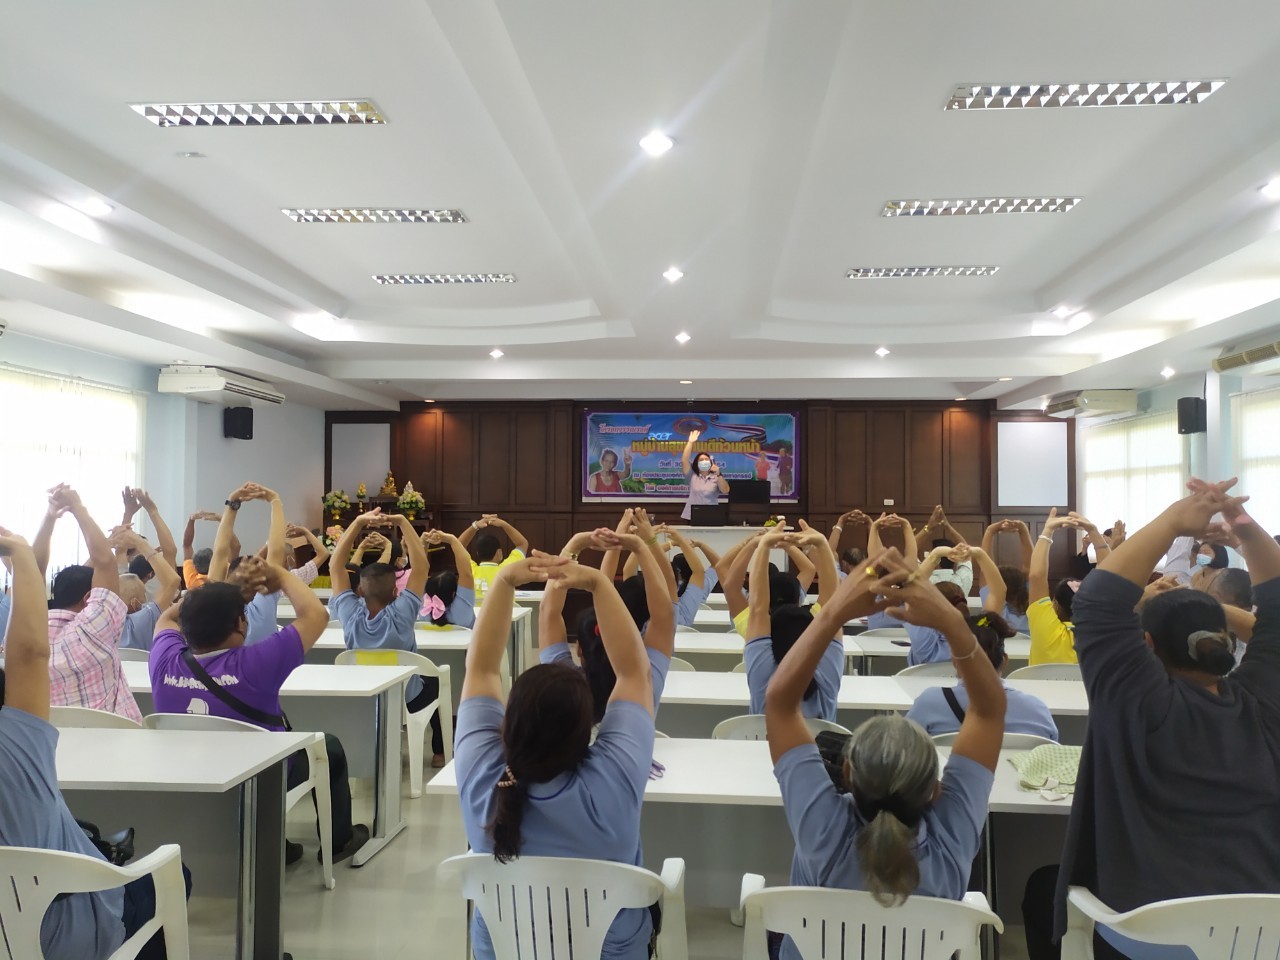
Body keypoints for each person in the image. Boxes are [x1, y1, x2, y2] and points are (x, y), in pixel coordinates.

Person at [1025, 480, 1280, 960]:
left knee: (1045, 892)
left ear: (1144, 647)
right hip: (1264, 935)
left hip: (1148, 939)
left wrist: (1173, 521)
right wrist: (1241, 524)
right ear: (1229, 639)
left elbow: (1099, 601)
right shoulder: (1267, 705)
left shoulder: (1131, 703)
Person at [764, 547, 1005, 960]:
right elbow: (988, 709)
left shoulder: (824, 832)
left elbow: (779, 703)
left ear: (846, 773)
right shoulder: (951, 840)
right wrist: (951, 622)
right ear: (935, 790)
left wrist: (831, 612)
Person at [456, 551, 659, 960]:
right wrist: (600, 584)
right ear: (586, 730)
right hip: (609, 948)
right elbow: (634, 673)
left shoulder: (484, 781)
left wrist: (503, 583)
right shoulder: (614, 780)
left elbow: (481, 670)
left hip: (503, 947)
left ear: (506, 725)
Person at [0, 527, 190, 960]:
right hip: (59, 936)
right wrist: (19, 552)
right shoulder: (16, 747)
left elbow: (29, 652)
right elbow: (29, 654)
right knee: (174, 876)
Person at [149, 554, 371, 864]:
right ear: (241, 622)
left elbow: (166, 619)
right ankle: (338, 841)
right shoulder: (255, 664)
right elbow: (315, 615)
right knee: (329, 747)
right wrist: (277, 572)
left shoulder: (164, 661)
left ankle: (280, 844)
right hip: (259, 779)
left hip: (189, 776)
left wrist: (222, 594)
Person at [331, 509, 443, 762]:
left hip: (363, 696)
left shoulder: (349, 613)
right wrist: (403, 521)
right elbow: (422, 565)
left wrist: (358, 522)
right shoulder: (403, 614)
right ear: (396, 591)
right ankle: (439, 751)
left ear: (359, 589)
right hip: (407, 698)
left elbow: (335, 565)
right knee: (435, 679)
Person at [39, 484, 143, 724]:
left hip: (53, 748)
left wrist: (49, 517)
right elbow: (105, 561)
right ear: (89, 598)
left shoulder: (27, 630)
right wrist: (77, 507)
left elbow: (37, 571)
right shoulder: (96, 628)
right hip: (114, 742)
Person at [558, 518, 676, 724]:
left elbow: (549, 612)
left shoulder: (564, 683)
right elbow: (664, 613)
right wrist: (642, 545)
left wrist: (575, 544)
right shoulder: (645, 676)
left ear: (579, 649)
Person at [907, 612, 1058, 739]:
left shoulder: (929, 703)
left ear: (954, 660)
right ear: (1004, 661)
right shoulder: (1036, 710)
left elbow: (902, 748)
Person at [745, 525, 841, 720]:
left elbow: (757, 609)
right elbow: (832, 604)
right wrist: (822, 544)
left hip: (763, 750)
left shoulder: (762, 672)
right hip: (817, 751)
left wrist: (763, 546)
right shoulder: (825, 677)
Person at [208, 483, 288, 645]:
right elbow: (277, 549)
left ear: (228, 576)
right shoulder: (263, 605)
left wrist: (232, 504)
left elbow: (220, 551)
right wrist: (275, 500)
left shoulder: (215, 603)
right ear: (259, 582)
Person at [908, 544, 1006, 664]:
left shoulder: (923, 640)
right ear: (963, 599)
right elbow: (998, 592)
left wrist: (936, 553)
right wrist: (980, 555)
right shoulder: (984, 633)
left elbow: (912, 590)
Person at [1027, 509, 1087, 665]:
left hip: (1038, 690)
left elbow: (1036, 576)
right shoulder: (1098, 632)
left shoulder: (1044, 629)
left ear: (1055, 605)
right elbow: (1110, 579)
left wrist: (1048, 531)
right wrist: (1094, 533)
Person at [113, 529, 181, 651]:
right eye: (143, 597)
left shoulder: (101, 622)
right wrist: (141, 543)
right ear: (134, 603)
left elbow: (119, 554)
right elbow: (173, 581)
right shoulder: (145, 618)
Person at [980, 519, 1034, 632]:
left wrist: (989, 532)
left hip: (999, 648)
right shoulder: (1032, 602)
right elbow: (1030, 566)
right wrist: (1023, 530)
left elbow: (986, 568)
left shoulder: (994, 605)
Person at [459, 514, 529, 598]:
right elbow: (522, 544)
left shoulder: (470, 571)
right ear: (499, 552)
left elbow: (459, 545)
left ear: (477, 553)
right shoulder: (508, 569)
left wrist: (475, 526)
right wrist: (504, 524)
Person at [418, 529, 478, 628]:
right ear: (454, 593)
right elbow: (466, 574)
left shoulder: (423, 609)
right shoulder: (462, 611)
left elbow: (419, 572)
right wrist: (451, 539)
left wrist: (423, 543)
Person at [679, 429, 730, 521]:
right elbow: (684, 460)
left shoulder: (716, 477)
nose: (704, 461)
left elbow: (725, 490)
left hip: (712, 515)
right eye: (701, 460)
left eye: (706, 459)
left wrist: (718, 474)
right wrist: (690, 442)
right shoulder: (692, 476)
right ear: (696, 463)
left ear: (711, 462)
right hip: (692, 516)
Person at [181, 510, 225, 589]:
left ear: (194, 567)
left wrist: (191, 520)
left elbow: (187, 545)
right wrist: (222, 520)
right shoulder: (224, 578)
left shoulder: (192, 581)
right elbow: (234, 546)